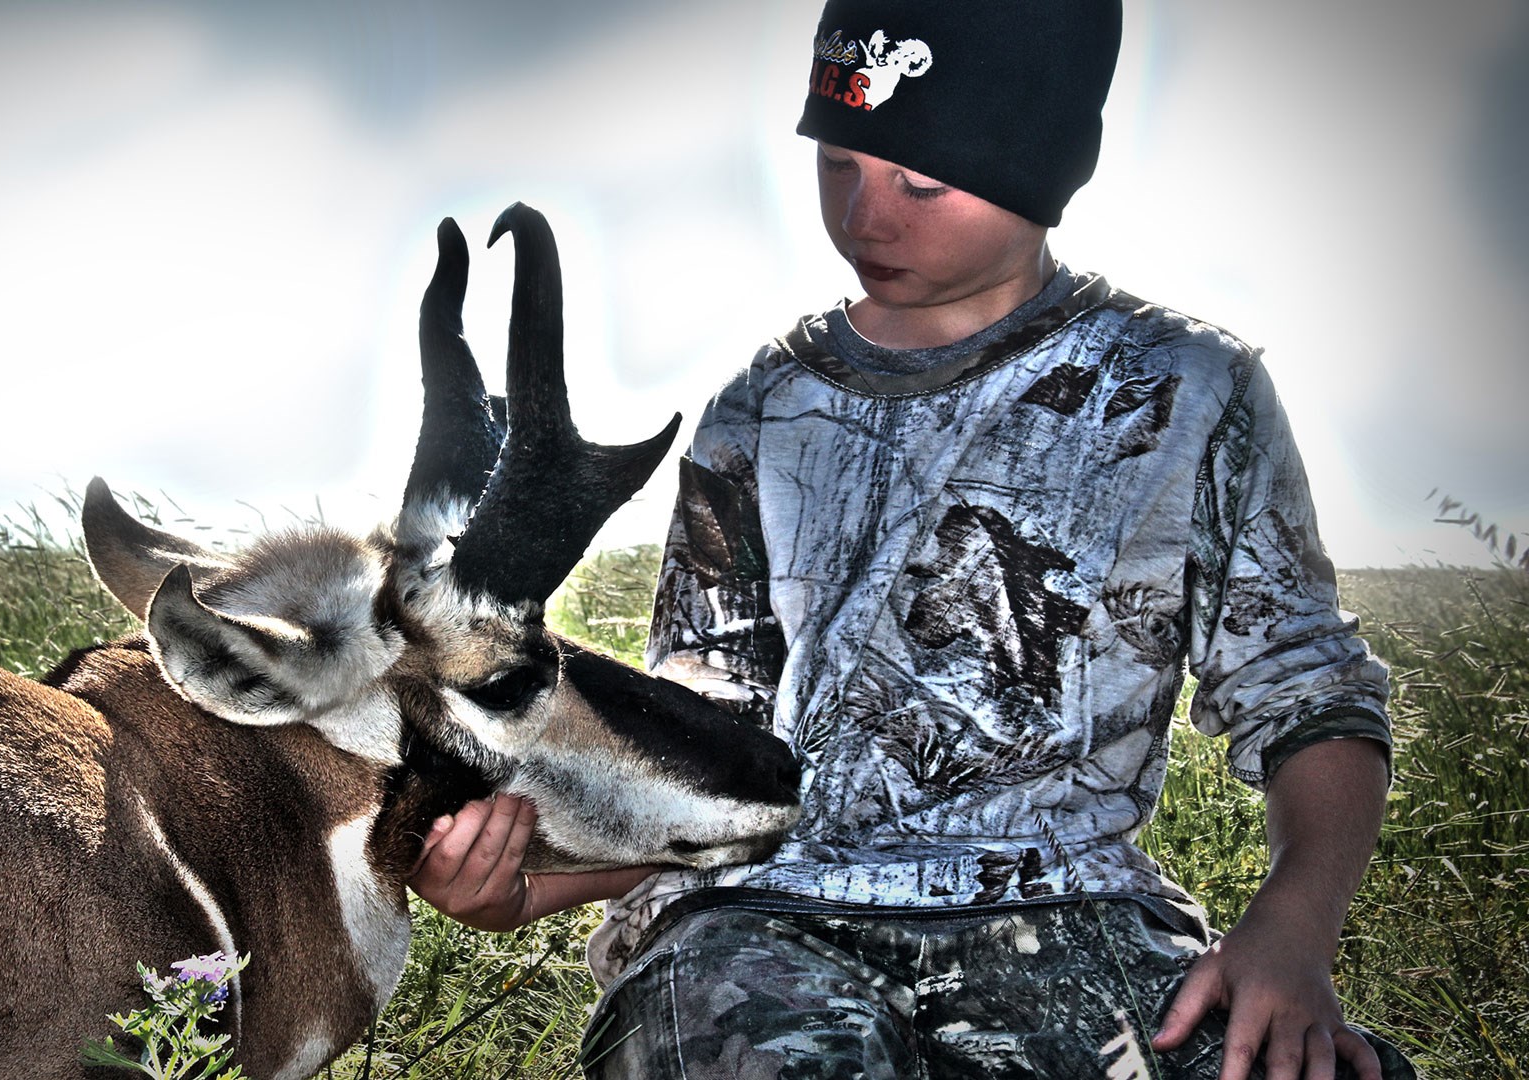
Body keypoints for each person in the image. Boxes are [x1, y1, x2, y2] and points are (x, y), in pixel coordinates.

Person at [409, 1, 1418, 1076]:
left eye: (921, 184)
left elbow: (1308, 697)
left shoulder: (1189, 391)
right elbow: (719, 759)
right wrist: (529, 885)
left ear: (1048, 168)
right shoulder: (758, 408)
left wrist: (1294, 931)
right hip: (760, 925)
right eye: (839, 164)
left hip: (1075, 919)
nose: (866, 217)